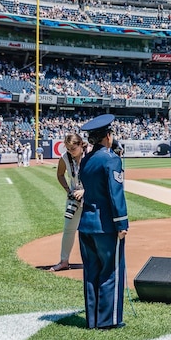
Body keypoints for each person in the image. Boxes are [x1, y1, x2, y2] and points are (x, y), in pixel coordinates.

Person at [77, 114, 129, 329]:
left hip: (86, 224)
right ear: (108, 136)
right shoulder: (111, 159)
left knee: (91, 272)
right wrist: (121, 223)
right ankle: (108, 321)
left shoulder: (86, 159)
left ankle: (93, 320)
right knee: (111, 271)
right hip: (105, 225)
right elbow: (115, 194)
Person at [50, 133, 86, 272]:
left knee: (89, 230)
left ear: (80, 144)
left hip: (91, 196)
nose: (70, 152)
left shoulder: (90, 155)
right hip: (74, 199)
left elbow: (98, 177)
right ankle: (64, 261)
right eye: (68, 148)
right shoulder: (65, 157)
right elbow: (59, 174)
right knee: (69, 229)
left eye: (73, 148)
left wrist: (85, 191)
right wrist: (68, 190)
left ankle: (93, 262)